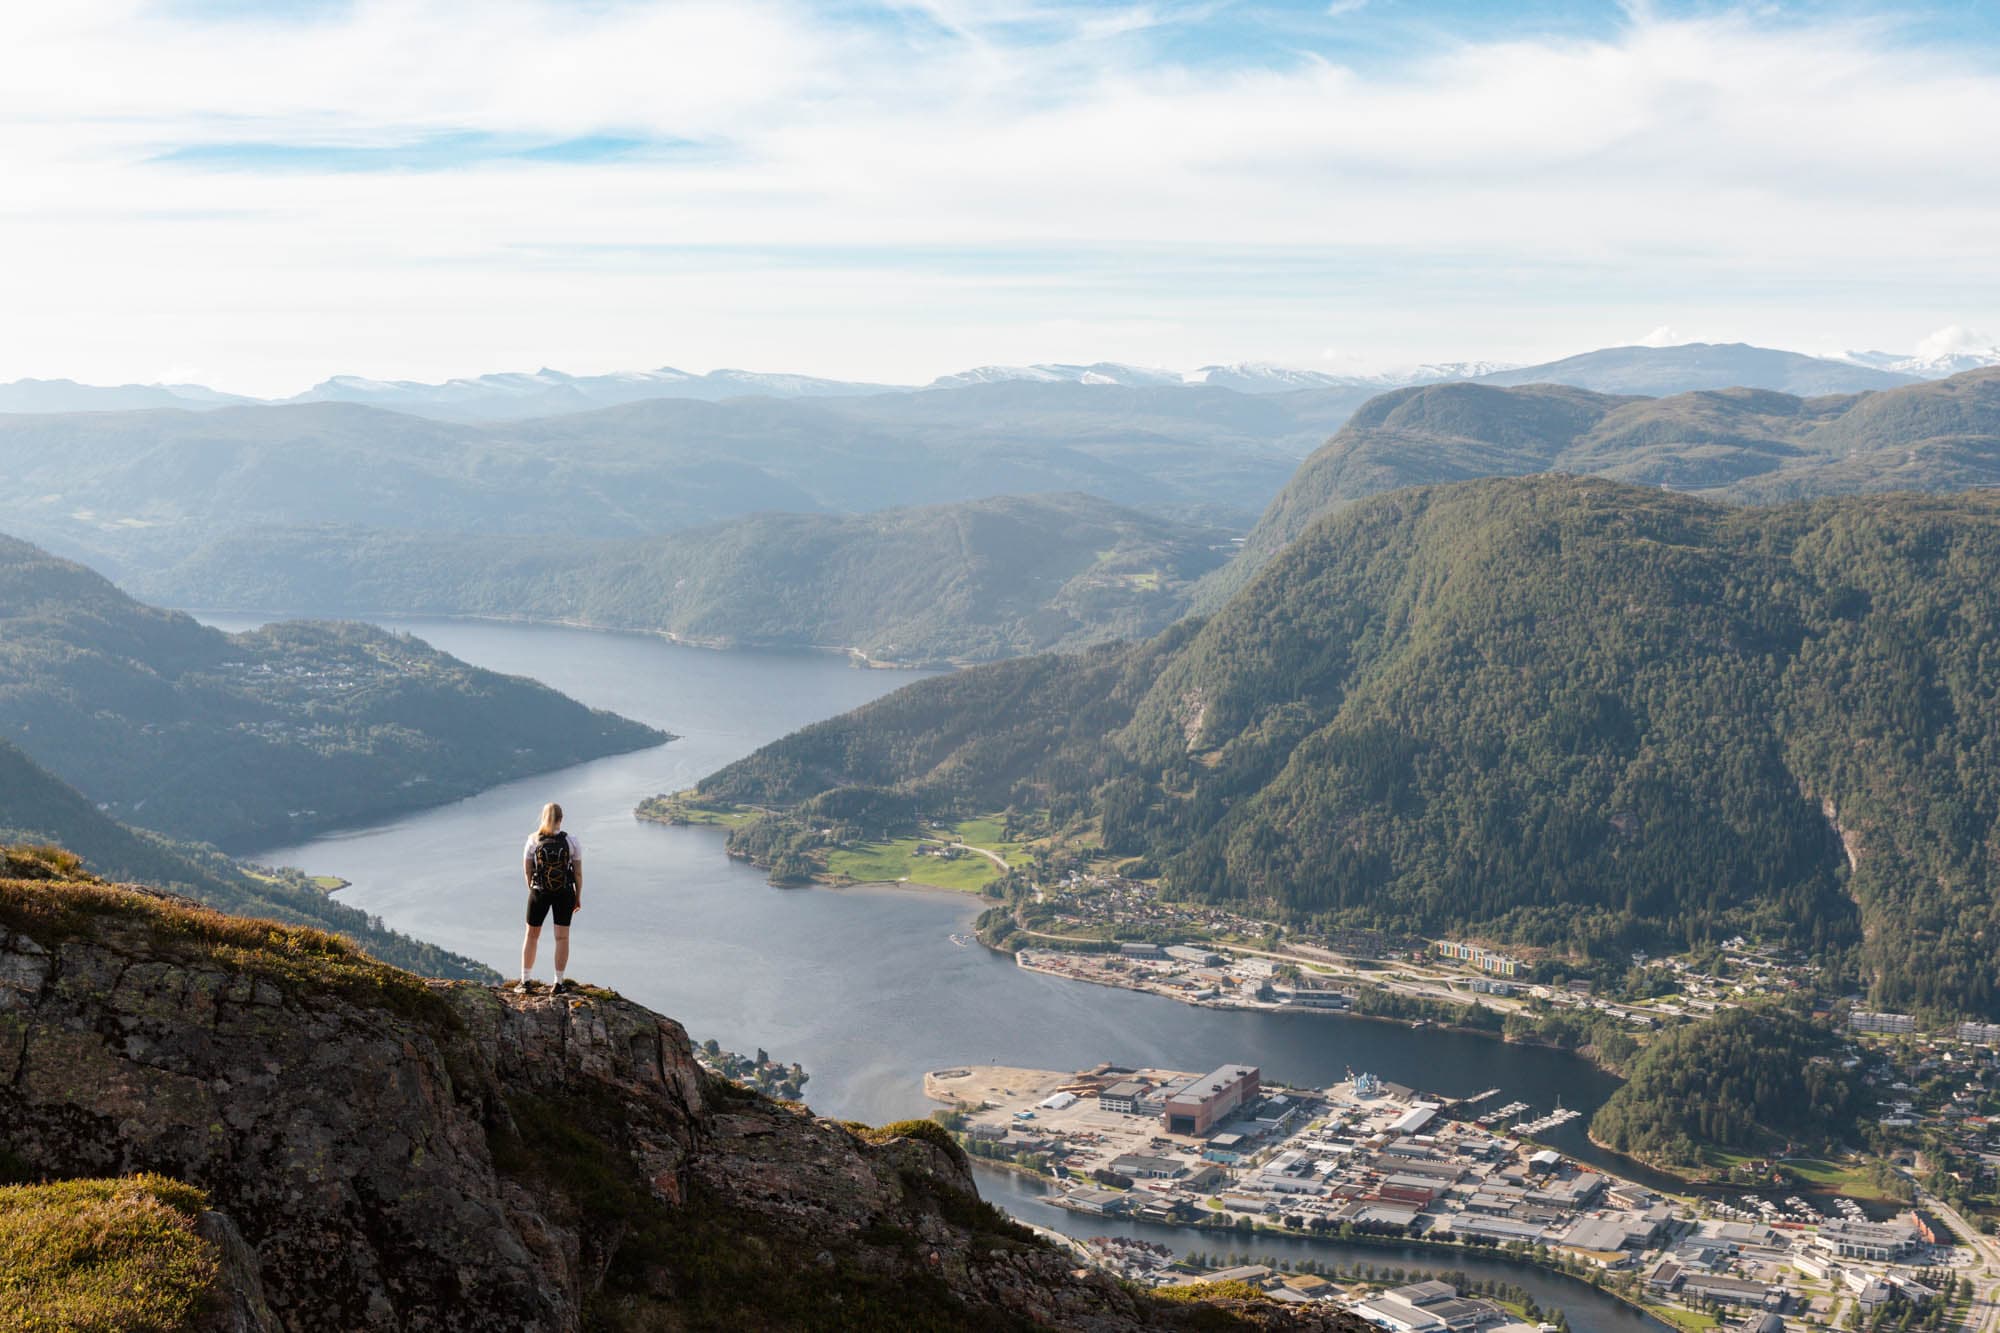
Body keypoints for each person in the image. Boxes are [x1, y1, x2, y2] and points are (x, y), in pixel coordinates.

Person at [519, 801, 582, 993]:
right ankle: (558, 983)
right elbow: (578, 874)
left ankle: (525, 981)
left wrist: (533, 888)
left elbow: (527, 870)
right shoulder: (572, 841)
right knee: (562, 938)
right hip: (564, 893)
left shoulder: (533, 840)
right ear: (561, 819)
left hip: (539, 892)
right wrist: (577, 897)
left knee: (531, 936)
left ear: (543, 817)